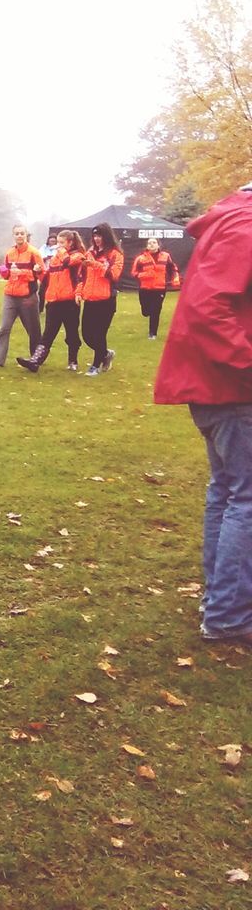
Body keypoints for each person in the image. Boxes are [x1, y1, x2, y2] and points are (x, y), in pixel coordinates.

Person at [154, 182, 252, 647]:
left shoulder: (231, 220)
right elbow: (208, 307)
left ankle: (221, 599)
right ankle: (228, 614)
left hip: (219, 386)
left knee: (230, 491)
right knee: (245, 498)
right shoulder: (245, 224)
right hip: (233, 388)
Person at [17, 229, 85, 373]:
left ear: (70, 243)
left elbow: (72, 267)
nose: (58, 245)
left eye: (61, 242)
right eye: (57, 242)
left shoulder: (78, 256)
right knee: (48, 334)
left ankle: (73, 360)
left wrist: (60, 252)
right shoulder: (55, 259)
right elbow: (48, 279)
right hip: (53, 301)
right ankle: (35, 361)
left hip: (69, 302)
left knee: (72, 333)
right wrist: (39, 271)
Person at [0, 225, 42, 367]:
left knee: (33, 329)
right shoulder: (10, 253)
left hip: (27, 297)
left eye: (22, 233)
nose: (19, 236)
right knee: (4, 327)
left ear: (26, 235)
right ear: (13, 236)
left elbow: (42, 274)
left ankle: (36, 358)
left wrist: (23, 273)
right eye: (17, 233)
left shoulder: (34, 253)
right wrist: (3, 271)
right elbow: (7, 274)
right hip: (10, 295)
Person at [79, 222, 123, 376]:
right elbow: (82, 276)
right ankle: (106, 353)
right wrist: (79, 292)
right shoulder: (90, 252)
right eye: (95, 236)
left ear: (107, 236)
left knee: (99, 333)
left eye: (100, 236)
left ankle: (95, 365)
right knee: (86, 334)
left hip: (106, 300)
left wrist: (96, 265)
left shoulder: (115, 254)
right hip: (90, 298)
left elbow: (114, 275)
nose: (97, 239)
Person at [131, 236, 180, 339]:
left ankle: (153, 333)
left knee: (156, 311)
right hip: (145, 288)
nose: (151, 244)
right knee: (146, 311)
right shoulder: (140, 258)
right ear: (147, 246)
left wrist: (175, 278)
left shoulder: (166, 256)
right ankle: (146, 312)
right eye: (149, 243)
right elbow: (134, 273)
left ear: (158, 245)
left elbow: (173, 268)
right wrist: (145, 275)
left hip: (159, 288)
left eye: (154, 242)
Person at [37, 233, 59, 314]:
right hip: (45, 272)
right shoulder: (44, 247)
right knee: (41, 291)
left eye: (54, 240)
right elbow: (39, 256)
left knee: (53, 291)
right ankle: (40, 309)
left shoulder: (58, 248)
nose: (52, 242)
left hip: (55, 273)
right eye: (51, 240)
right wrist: (45, 257)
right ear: (48, 240)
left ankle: (52, 308)